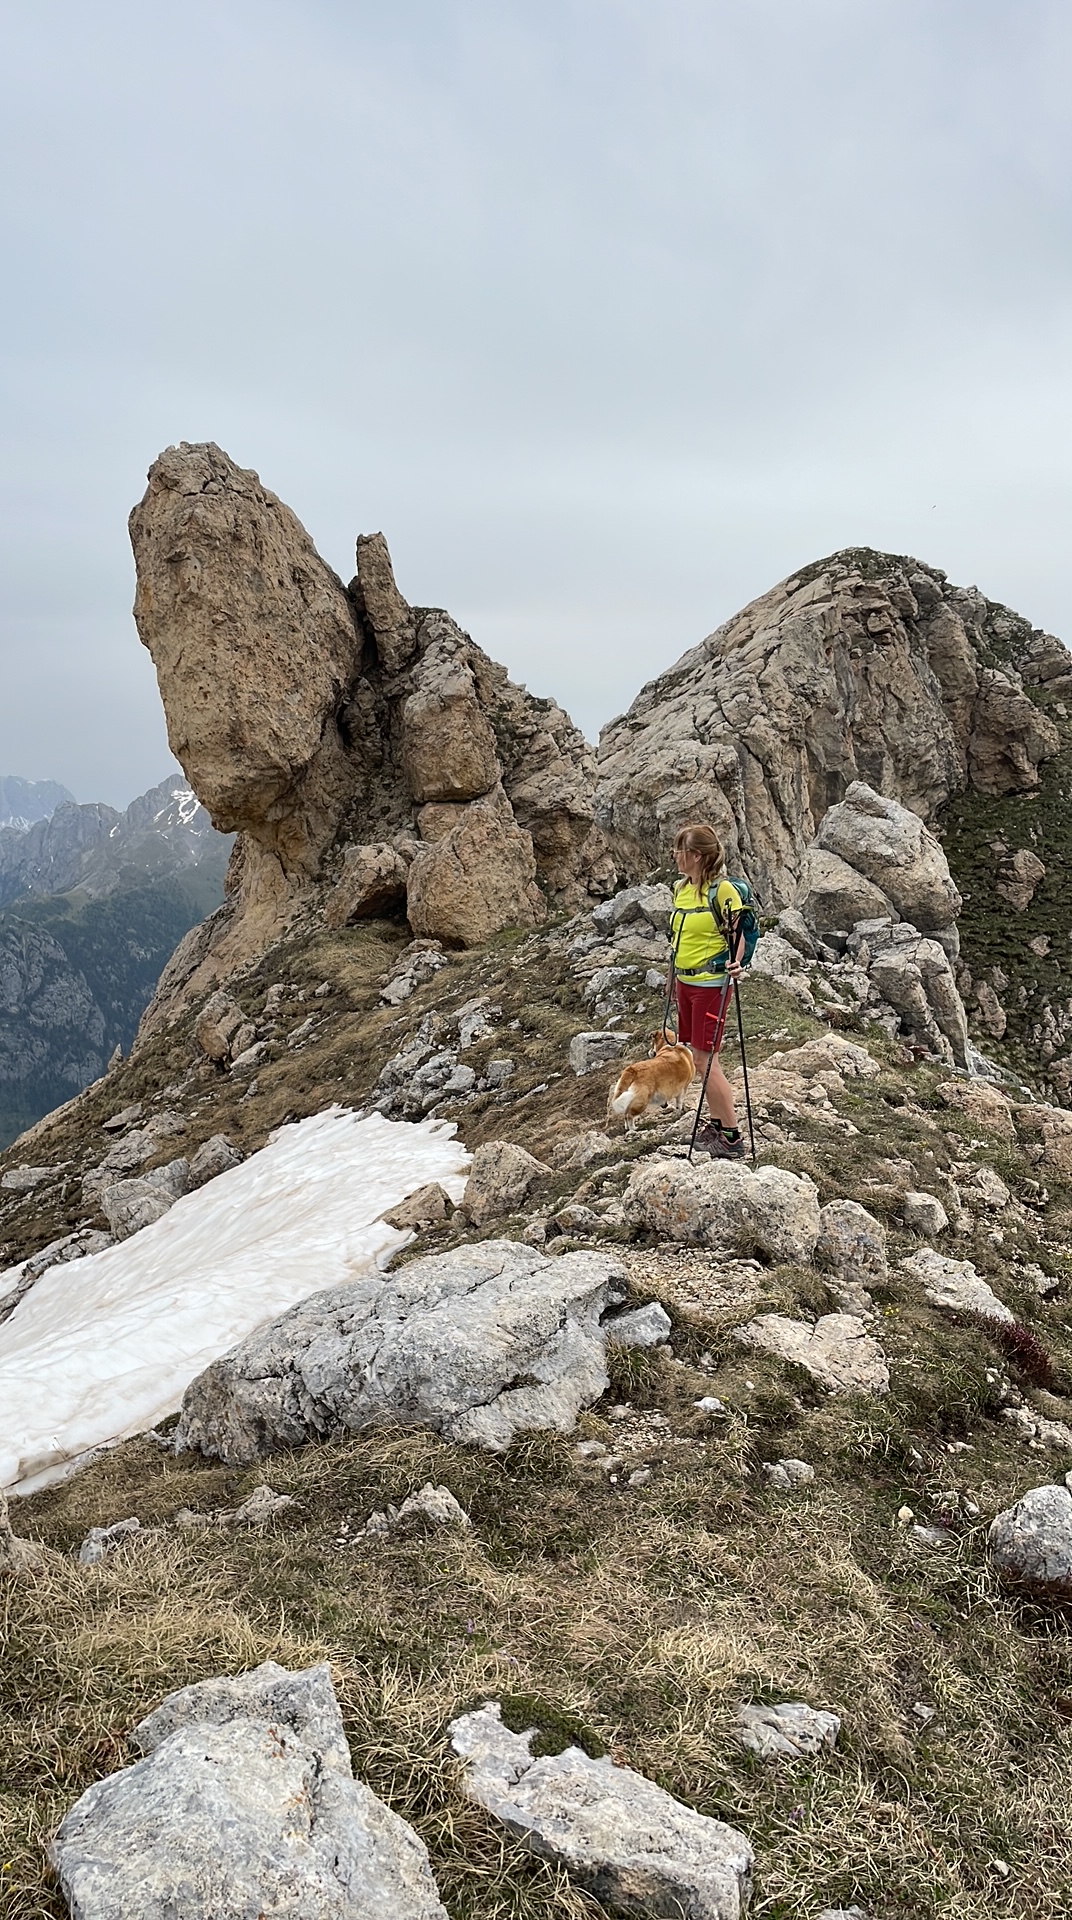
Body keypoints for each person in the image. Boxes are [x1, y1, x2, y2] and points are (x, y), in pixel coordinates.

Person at [669, 822, 746, 1158]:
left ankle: (731, 1137)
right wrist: (674, 979)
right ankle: (716, 1126)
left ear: (696, 856)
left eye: (680, 850)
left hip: (712, 984)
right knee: (701, 1057)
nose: (675, 856)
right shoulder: (680, 889)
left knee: (704, 1060)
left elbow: (738, 934)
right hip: (685, 982)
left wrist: (737, 962)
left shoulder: (722, 890)